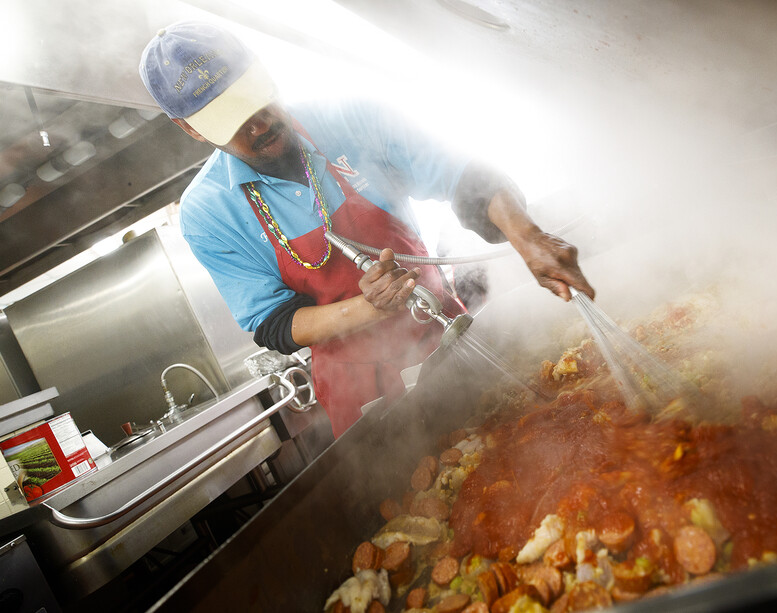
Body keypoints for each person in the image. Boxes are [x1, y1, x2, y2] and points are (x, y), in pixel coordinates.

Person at [138, 21, 594, 437]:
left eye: (257, 98)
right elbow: (273, 322)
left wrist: (528, 237)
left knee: (528, 437)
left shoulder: (351, 117)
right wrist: (372, 308)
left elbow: (462, 174)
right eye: (234, 120)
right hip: (355, 389)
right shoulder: (208, 213)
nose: (260, 123)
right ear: (190, 129)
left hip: (444, 336)